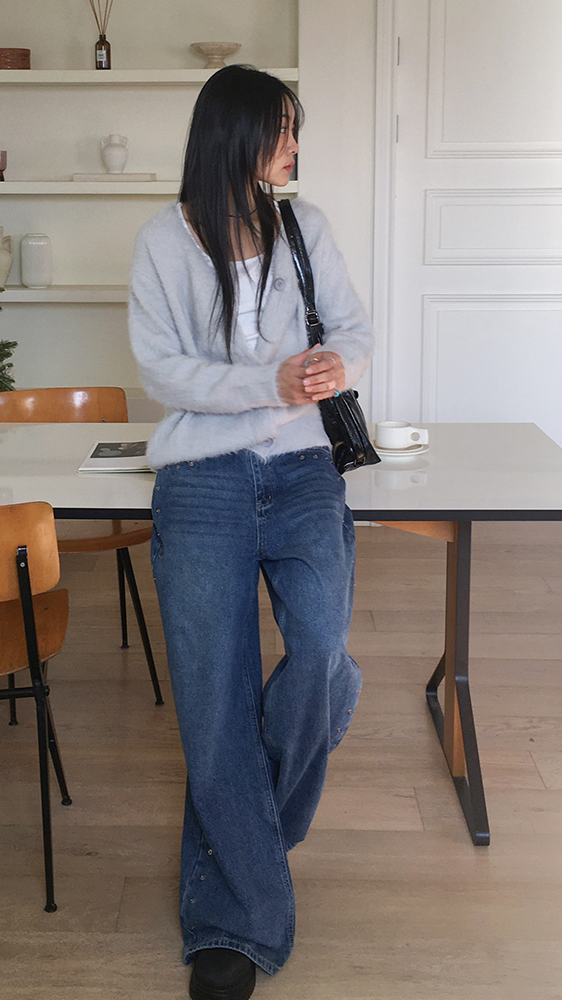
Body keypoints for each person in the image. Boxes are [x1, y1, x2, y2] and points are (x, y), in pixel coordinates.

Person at [128, 65, 374, 1000]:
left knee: (320, 653)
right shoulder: (163, 242)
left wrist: (334, 365)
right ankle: (233, 922)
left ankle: (246, 832)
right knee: (213, 693)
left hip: (304, 470)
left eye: (294, 130)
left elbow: (354, 330)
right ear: (234, 135)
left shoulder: (305, 229)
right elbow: (162, 371)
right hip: (202, 478)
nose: (294, 147)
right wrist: (265, 385)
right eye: (282, 130)